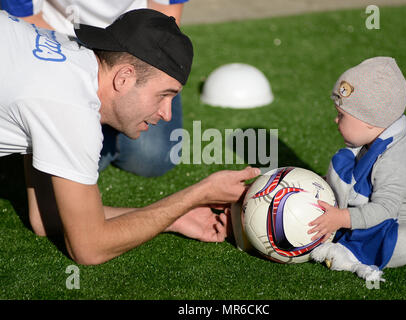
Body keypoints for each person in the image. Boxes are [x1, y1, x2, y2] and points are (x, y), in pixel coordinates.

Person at [0, 9, 260, 265]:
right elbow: (89, 248)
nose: (168, 114)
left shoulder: (69, 54)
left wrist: (175, 217)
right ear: (124, 77)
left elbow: (48, 216)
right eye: (164, 95)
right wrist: (198, 194)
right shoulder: (71, 109)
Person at [0, 0, 189, 177]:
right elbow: (25, 21)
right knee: (82, 158)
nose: (167, 115)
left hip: (137, 50)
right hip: (62, 38)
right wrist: (198, 195)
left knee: (152, 158)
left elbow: (165, 23)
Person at [308, 57, 406, 281]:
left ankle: (351, 254)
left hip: (404, 225)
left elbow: (386, 209)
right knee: (342, 163)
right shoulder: (371, 143)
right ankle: (349, 237)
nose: (335, 120)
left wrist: (341, 218)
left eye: (342, 115)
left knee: (405, 242)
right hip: (377, 215)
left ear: (369, 121)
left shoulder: (394, 159)